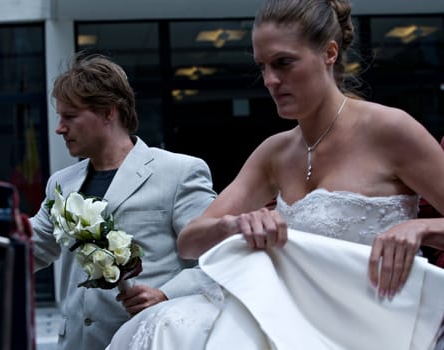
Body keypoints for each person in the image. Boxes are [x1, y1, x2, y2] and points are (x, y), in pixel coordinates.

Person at [107, 0, 444, 349]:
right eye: (262, 67)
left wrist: (421, 228)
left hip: (373, 323)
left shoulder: (390, 130)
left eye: (284, 63)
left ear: (329, 53)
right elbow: (189, 241)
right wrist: (235, 225)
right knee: (167, 328)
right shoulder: (276, 151)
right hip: (290, 317)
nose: (270, 80)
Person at [30, 53, 217, 349]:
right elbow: (29, 246)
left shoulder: (181, 172)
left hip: (148, 339)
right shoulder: (61, 184)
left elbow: (218, 260)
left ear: (108, 113)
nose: (59, 128)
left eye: (70, 116)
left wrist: (165, 294)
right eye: (59, 117)